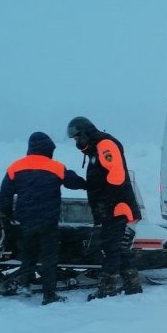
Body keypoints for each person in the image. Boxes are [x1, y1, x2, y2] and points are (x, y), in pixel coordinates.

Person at [0, 131, 86, 305]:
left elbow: (5, 195)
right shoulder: (56, 167)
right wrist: (88, 183)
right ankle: (49, 295)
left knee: (28, 254)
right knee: (49, 258)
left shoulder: (15, 166)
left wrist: (6, 216)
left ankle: (25, 285)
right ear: (49, 149)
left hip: (25, 221)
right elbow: (74, 182)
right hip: (48, 222)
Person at [66, 116, 143, 299]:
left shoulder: (105, 144)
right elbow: (100, 179)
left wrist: (103, 202)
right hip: (111, 207)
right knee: (120, 247)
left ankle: (110, 286)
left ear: (85, 133)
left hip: (116, 207)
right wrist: (86, 185)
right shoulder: (95, 149)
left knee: (110, 247)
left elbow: (116, 177)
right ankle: (132, 284)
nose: (77, 142)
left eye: (78, 138)